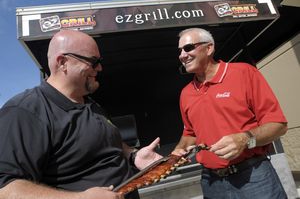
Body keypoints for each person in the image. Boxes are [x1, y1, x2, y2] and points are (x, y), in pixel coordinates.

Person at [0, 29, 163, 199]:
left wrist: (133, 155)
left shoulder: (92, 105)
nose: (100, 67)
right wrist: (80, 198)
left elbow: (106, 144)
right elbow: (4, 189)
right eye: (93, 61)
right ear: (63, 62)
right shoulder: (25, 111)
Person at [172, 28, 288, 199]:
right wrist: (177, 151)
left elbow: (279, 126)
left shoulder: (243, 73)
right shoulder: (186, 93)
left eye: (188, 48)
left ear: (209, 48)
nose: (182, 55)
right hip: (211, 182)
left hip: (253, 177)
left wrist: (245, 140)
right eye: (180, 51)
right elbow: (190, 133)